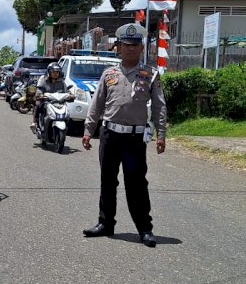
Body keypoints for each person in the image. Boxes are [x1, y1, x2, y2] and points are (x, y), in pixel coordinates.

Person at [82, 22, 166, 247]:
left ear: (141, 48)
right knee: (107, 181)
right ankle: (105, 223)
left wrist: (161, 135)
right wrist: (88, 130)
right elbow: (96, 105)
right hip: (109, 135)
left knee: (137, 183)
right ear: (119, 47)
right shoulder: (109, 74)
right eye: (126, 45)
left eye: (135, 45)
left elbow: (159, 106)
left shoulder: (150, 74)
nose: (130, 49)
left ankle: (145, 229)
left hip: (134, 139)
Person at [31, 62, 68, 133]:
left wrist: (71, 95)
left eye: (57, 72)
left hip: (58, 103)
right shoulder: (43, 79)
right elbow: (39, 89)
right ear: (49, 72)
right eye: (53, 72)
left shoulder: (61, 82)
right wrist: (40, 95)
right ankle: (34, 123)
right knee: (38, 104)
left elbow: (67, 91)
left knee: (67, 113)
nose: (55, 74)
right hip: (46, 102)